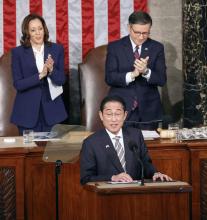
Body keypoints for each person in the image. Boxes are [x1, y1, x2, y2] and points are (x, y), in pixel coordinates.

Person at [80, 95, 172, 185]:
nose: (113, 119)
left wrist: (155, 173)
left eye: (118, 114)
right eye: (109, 114)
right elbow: (86, 178)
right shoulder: (91, 143)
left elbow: (145, 163)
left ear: (125, 115)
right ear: (101, 115)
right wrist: (113, 178)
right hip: (108, 196)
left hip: (135, 194)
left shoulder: (135, 135)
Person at [105, 11, 167, 130]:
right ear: (129, 27)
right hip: (121, 108)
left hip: (149, 110)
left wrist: (146, 71)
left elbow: (162, 79)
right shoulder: (115, 47)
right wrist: (132, 75)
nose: (141, 36)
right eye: (137, 32)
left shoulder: (157, 48)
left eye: (145, 33)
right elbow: (109, 78)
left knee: (148, 147)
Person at [10, 14, 68, 134]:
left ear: (44, 29)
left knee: (51, 151)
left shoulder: (57, 49)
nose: (38, 33)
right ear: (27, 33)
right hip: (26, 112)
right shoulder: (18, 53)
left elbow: (62, 80)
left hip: (52, 111)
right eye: (33, 30)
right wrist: (40, 75)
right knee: (29, 151)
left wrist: (51, 70)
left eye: (40, 28)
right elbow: (18, 84)